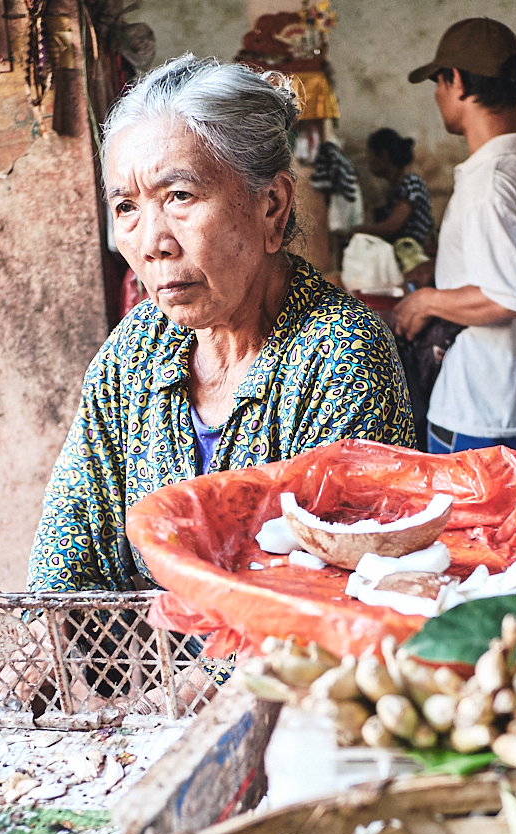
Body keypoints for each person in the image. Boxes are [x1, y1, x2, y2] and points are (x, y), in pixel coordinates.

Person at [28, 54, 415, 592]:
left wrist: (188, 682)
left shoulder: (341, 356)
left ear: (272, 206)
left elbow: (322, 592)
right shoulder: (134, 351)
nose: (152, 242)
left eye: (180, 197)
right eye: (126, 207)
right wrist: (39, 647)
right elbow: (66, 544)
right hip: (138, 668)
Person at [393, 18, 516, 471]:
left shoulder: (491, 178)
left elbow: (505, 296)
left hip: (481, 409)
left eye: (438, 81)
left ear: (459, 82)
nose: (436, 95)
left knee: (465, 540)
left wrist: (426, 301)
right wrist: (441, 270)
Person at [350, 128, 434, 247]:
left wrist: (352, 232)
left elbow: (390, 227)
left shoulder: (411, 183)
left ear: (384, 155)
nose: (368, 160)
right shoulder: (393, 189)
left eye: (370, 154)